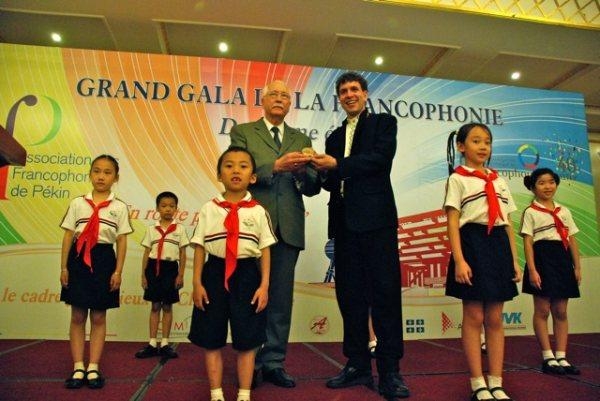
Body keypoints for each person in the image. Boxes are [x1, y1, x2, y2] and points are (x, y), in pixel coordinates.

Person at [311, 71, 408, 400]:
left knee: (385, 296)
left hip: (377, 223)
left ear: (365, 94)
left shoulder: (384, 123)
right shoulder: (334, 136)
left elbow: (379, 161)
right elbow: (331, 180)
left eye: (354, 89)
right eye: (343, 91)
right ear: (339, 98)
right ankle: (357, 364)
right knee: (350, 297)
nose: (349, 94)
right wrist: (313, 170)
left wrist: (336, 164)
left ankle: (390, 370)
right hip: (344, 225)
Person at [229, 79, 320, 388]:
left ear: (290, 104)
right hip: (250, 226)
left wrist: (303, 173)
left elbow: (312, 187)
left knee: (280, 299)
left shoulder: (301, 138)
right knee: (248, 296)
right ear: (264, 100)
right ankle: (249, 362)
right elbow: (237, 172)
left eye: (285, 95)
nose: (280, 99)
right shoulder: (243, 132)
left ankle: (274, 362)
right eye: (274, 94)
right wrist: (276, 167)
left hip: (288, 227)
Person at [188, 146, 277, 401]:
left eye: (243, 166)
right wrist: (197, 283)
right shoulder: (209, 209)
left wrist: (264, 286)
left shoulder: (258, 211)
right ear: (219, 175)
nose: (235, 170)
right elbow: (199, 247)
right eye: (228, 166)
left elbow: (265, 251)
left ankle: (244, 394)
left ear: (253, 177)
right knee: (211, 337)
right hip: (214, 273)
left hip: (248, 276)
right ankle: (216, 393)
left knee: (248, 339)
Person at [444, 123, 522, 401]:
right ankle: (478, 382)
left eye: (487, 142)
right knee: (475, 315)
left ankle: (496, 382)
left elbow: (508, 223)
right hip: (472, 244)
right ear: (461, 146)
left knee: (495, 317)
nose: (483, 146)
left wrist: (515, 260)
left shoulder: (499, 181)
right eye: (476, 141)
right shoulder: (458, 179)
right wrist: (460, 260)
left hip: (498, 245)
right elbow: (453, 222)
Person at [59, 154, 133, 389]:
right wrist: (64, 267)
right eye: (97, 171)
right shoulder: (78, 203)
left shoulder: (119, 207)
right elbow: (68, 235)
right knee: (77, 315)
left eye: (107, 172)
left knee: (99, 316)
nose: (101, 176)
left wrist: (118, 271)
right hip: (78, 259)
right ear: (90, 174)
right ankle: (78, 366)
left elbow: (121, 240)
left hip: (103, 260)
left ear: (116, 178)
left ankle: (93, 367)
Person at [520, 168, 582, 375]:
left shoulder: (564, 211)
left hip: (562, 260)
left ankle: (561, 356)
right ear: (533, 187)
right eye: (541, 183)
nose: (547, 186)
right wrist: (532, 270)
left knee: (561, 311)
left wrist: (577, 267)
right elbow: (528, 242)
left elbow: (572, 239)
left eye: (551, 182)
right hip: (542, 260)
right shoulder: (530, 212)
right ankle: (548, 357)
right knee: (543, 310)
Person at [135, 191, 189, 359]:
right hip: (153, 268)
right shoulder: (152, 229)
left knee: (167, 306)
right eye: (164, 206)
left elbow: (183, 253)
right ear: (157, 208)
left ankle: (165, 343)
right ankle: (152, 343)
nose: (168, 209)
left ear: (176, 209)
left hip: (170, 269)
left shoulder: (180, 230)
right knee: (155, 306)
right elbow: (146, 252)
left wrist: (180, 275)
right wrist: (143, 275)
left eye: (171, 206)